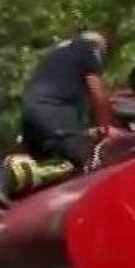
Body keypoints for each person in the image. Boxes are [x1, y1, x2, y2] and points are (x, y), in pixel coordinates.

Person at [19, 30, 111, 172]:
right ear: (98, 47)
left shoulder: (55, 56)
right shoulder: (86, 49)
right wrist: (106, 131)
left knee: (43, 168)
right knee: (83, 164)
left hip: (30, 115)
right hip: (54, 113)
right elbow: (98, 94)